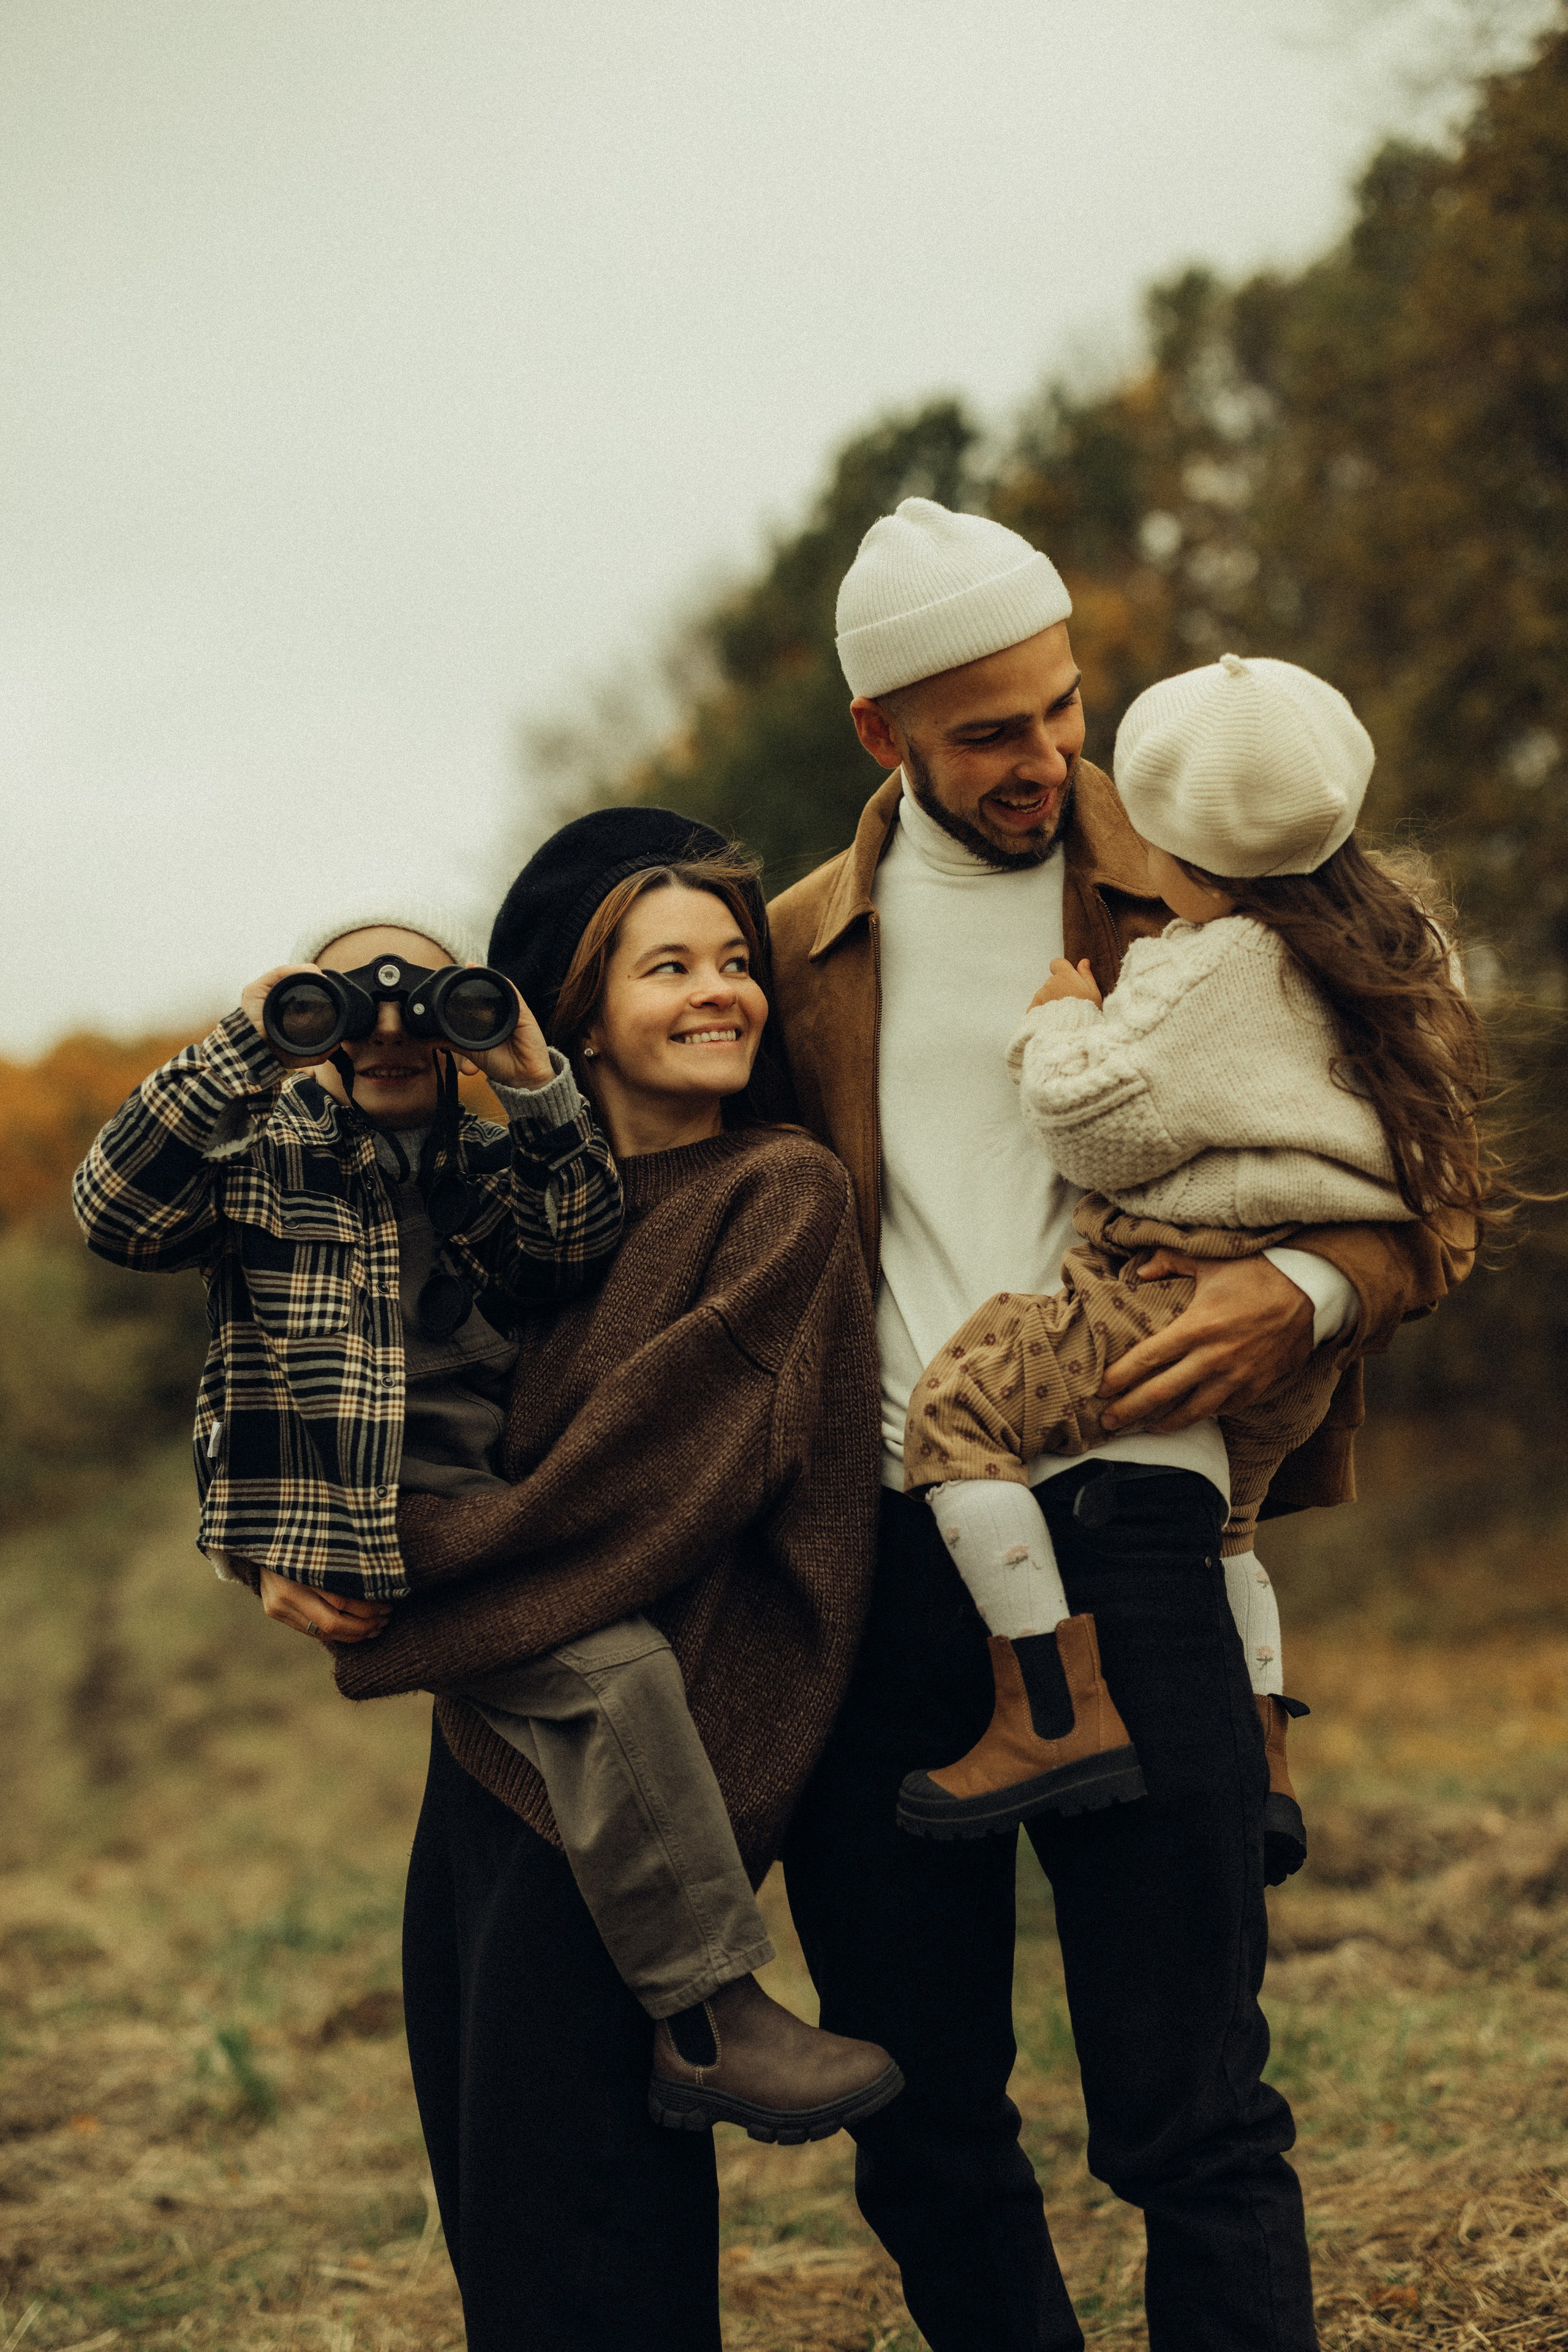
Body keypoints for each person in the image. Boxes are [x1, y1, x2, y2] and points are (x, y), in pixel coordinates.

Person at [766, 498, 1475, 2352]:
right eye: (990, 731)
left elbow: (1437, 1176)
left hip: (1145, 1541)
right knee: (922, 2129)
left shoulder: (1216, 866)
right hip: (887, 1575)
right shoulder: (787, 956)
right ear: (883, 736)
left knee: (1193, 2117)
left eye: (1064, 708)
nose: (1046, 759)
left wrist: (1308, 1291)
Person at [72, 888, 894, 2162]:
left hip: (484, 1504)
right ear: (303, 1030)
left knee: (607, 1684)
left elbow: (572, 1247)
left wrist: (525, 1072)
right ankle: (709, 2009)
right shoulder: (260, 1158)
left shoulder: (481, 1159)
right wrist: (245, 1047)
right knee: (615, 1676)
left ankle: (702, 2018)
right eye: (345, 1005)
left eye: (424, 1003)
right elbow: (113, 1211)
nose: (387, 1029)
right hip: (367, 1518)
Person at [327, 809, 895, 2350]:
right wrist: (296, 1523)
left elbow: (625, 1502)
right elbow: (363, 1388)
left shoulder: (776, 1198)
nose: (723, 990)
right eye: (670, 965)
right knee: (506, 2221)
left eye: (733, 960)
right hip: (498, 1757)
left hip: (652, 1781)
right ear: (571, 1012)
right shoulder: (513, 1215)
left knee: (596, 2252)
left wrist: (374, 1565)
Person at [897, 652, 1494, 1881]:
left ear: (1167, 844)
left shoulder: (1198, 968)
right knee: (1231, 1534)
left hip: (1166, 1299)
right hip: (1296, 1379)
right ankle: (1263, 1742)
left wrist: (1060, 1012)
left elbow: (1087, 1117)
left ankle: (1046, 1713)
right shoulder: (1404, 945)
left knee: (953, 1416)